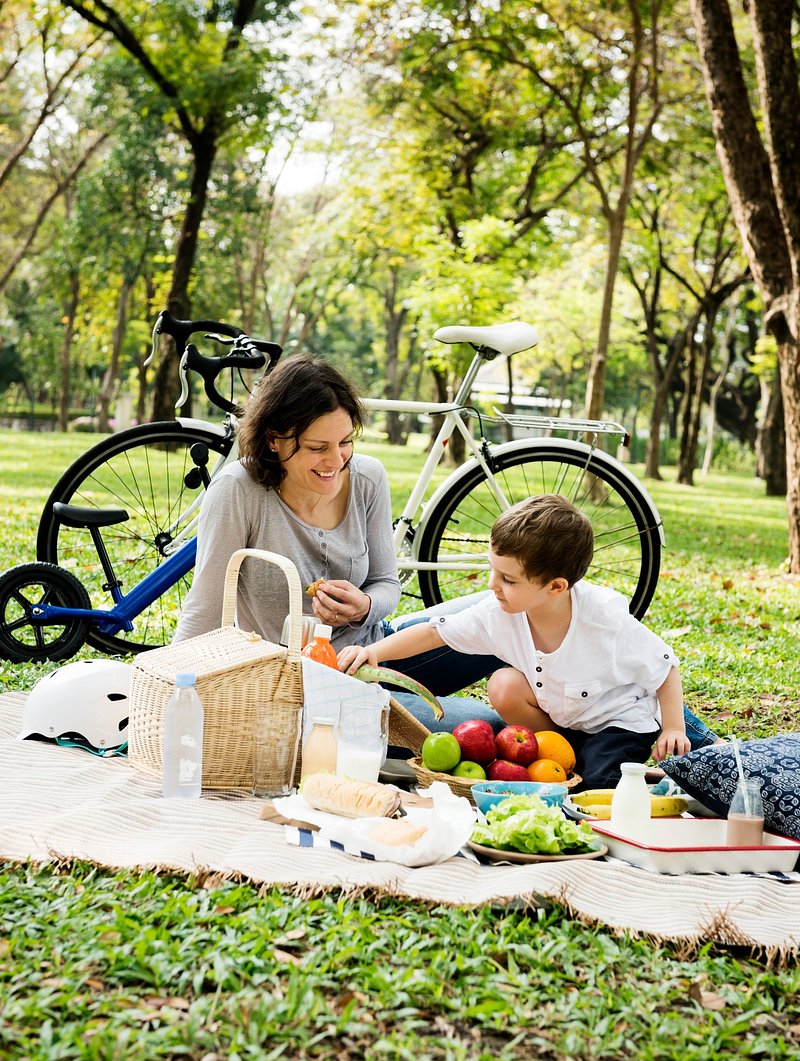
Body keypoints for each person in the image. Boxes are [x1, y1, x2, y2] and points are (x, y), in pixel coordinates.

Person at [173, 355, 502, 727]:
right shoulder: (238, 490)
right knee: (486, 723)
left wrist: (363, 606)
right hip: (301, 687)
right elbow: (204, 609)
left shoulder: (368, 478)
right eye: (317, 447)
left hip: (376, 651)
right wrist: (173, 693)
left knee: (513, 609)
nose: (336, 460)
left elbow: (386, 584)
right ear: (274, 440)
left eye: (345, 442)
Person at [339, 494, 710, 789]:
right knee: (505, 686)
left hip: (618, 722)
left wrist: (674, 728)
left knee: (595, 784)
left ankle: (663, 776)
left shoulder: (605, 621)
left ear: (556, 587)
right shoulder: (499, 612)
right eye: (493, 570)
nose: (491, 585)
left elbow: (664, 666)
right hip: (565, 722)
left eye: (508, 579)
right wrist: (373, 652)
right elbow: (435, 631)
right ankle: (570, 756)